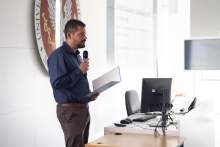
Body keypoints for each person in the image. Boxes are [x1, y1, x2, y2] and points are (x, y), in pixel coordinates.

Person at [47, 19, 99, 147]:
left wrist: (89, 95)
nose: (85, 37)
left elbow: (76, 83)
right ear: (69, 35)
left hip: (83, 110)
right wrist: (79, 71)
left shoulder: (77, 56)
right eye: (81, 34)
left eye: (85, 34)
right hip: (71, 112)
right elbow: (57, 83)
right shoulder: (58, 55)